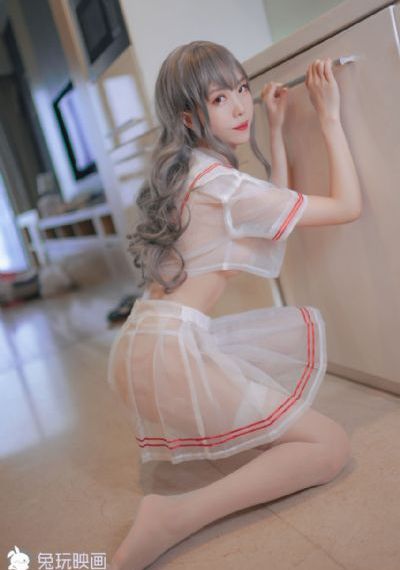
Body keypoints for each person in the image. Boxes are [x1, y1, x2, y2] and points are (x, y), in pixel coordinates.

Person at [107, 41, 362, 570]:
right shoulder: (222, 185)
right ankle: (174, 517)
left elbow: (271, 220)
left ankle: (177, 508)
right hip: (171, 354)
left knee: (279, 432)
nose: (241, 106)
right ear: (189, 116)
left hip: (143, 346)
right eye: (220, 98)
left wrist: (277, 129)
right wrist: (329, 116)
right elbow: (346, 207)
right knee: (330, 447)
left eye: (241, 89)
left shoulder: (192, 171)